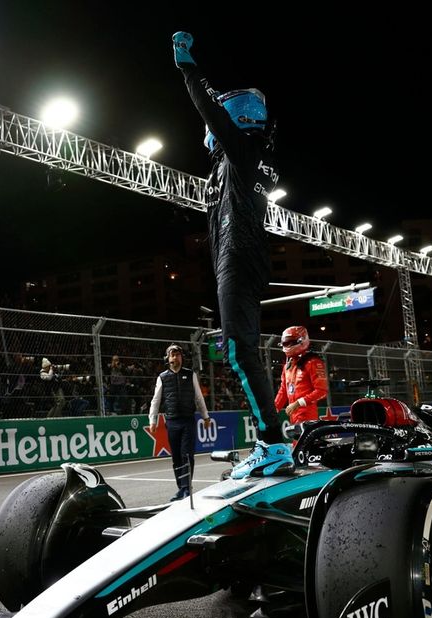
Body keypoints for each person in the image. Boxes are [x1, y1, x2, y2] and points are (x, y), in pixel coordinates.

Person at [171, 31, 292, 479]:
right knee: (241, 348)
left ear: (234, 118)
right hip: (244, 256)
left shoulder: (241, 152)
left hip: (238, 257)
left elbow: (208, 108)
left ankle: (273, 443)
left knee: (240, 352)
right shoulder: (250, 157)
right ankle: (272, 441)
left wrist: (187, 66)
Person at [146, 344, 212, 501]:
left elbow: (198, 397)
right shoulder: (162, 377)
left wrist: (206, 416)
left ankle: (186, 488)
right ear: (168, 359)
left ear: (182, 357)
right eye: (172, 355)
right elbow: (155, 401)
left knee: (187, 455)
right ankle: (180, 489)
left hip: (188, 420)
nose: (175, 358)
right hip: (172, 422)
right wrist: (152, 420)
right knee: (176, 456)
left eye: (178, 355)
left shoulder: (190, 375)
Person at [274, 326, 331, 433]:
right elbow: (283, 391)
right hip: (293, 414)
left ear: (301, 341)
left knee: (305, 446)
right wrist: (273, 410)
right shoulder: (287, 366)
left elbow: (322, 391)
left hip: (307, 414)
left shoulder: (313, 362)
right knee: (298, 446)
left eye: (290, 342)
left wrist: (298, 403)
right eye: (285, 343)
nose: (287, 346)